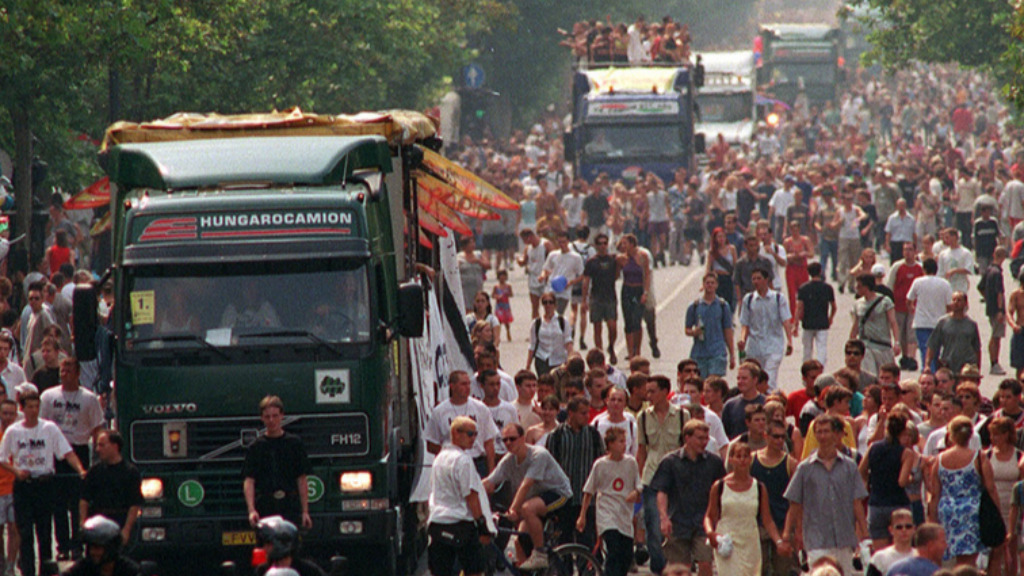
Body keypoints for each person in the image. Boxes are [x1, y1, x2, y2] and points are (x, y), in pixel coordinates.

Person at [0, 391, 87, 576]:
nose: (34, 410)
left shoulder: (49, 428)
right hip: (24, 486)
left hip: (44, 484)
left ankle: (46, 571)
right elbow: (2, 458)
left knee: (45, 533)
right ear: (23, 409)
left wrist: (80, 470)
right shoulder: (14, 431)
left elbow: (67, 452)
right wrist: (16, 471)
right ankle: (28, 571)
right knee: (25, 534)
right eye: (30, 407)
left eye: (36, 407)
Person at [783, 414, 869, 576]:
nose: (823, 436)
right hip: (817, 539)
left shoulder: (849, 466)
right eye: (819, 432)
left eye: (826, 431)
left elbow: (856, 502)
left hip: (844, 539)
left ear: (835, 434)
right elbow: (794, 503)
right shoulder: (805, 468)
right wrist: (788, 534)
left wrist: (864, 533)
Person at [40, 357, 105, 560]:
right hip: (56, 452)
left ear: (77, 373)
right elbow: (42, 425)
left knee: (78, 502)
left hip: (79, 449)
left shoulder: (89, 398)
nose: (64, 374)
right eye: (62, 370)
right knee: (58, 503)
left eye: (68, 370)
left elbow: (97, 428)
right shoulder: (49, 396)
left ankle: (78, 544)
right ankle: (63, 546)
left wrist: (99, 453)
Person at [652, 420, 726, 576]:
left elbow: (722, 492)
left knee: (705, 562)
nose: (704, 442)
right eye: (699, 438)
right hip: (678, 521)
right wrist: (663, 517)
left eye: (706, 438)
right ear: (687, 438)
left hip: (704, 522)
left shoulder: (714, 462)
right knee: (680, 568)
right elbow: (662, 491)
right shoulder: (670, 462)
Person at [704, 441, 787, 576]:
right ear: (731, 459)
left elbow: (767, 520)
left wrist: (778, 541)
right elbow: (709, 516)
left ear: (750, 459)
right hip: (727, 542)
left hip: (750, 543)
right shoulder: (719, 486)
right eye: (738, 456)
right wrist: (710, 533)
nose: (742, 460)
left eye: (745, 456)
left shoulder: (759, 487)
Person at [427, 417, 495, 576]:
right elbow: (471, 496)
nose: (474, 439)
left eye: (476, 434)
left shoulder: (439, 458)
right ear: (455, 433)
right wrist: (482, 526)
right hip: (461, 524)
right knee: (475, 571)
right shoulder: (463, 460)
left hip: (438, 522)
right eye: (470, 434)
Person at [928, 415, 998, 566]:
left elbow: (934, 494)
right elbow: (991, 489)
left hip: (947, 511)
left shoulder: (939, 460)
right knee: (968, 560)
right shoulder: (978, 457)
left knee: (949, 558)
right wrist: (997, 514)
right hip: (972, 511)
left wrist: (932, 520)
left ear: (951, 435)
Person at [637, 375, 689, 575]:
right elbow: (642, 450)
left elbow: (687, 447)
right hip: (651, 478)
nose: (648, 395)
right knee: (653, 525)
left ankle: (675, 565)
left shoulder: (682, 416)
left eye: (652, 391)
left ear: (665, 392)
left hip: (675, 479)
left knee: (675, 526)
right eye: (647, 391)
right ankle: (658, 568)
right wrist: (639, 480)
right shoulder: (643, 417)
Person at [577, 427, 641, 576]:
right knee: (613, 548)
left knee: (625, 556)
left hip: (624, 514)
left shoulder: (631, 463)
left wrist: (636, 493)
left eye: (624, 441)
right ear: (610, 444)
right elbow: (589, 490)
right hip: (607, 513)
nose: (624, 445)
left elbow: (639, 485)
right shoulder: (600, 464)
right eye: (620, 441)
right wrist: (582, 515)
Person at [242, 396, 312, 530]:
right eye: (267, 417)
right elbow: (249, 480)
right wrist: (251, 510)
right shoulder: (256, 447)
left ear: (282, 416)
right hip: (265, 506)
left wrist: (305, 512)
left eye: (275, 416)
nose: (271, 420)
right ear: (262, 418)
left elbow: (302, 479)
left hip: (290, 506)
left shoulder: (295, 443)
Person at [546, 397, 604, 547]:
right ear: (571, 413)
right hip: (564, 500)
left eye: (588, 413)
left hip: (587, 500)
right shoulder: (556, 435)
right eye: (583, 413)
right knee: (562, 542)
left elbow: (601, 464)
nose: (587, 417)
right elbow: (550, 468)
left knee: (587, 543)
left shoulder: (593, 435)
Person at [424, 371, 498, 477]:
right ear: (452, 386)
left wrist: (491, 473)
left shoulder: (480, 408)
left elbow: (489, 442)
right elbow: (431, 444)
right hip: (451, 463)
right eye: (463, 384)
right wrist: (449, 453)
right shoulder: (440, 411)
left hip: (477, 461)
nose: (467, 387)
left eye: (468, 384)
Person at [859, 413, 914, 550]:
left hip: (876, 503)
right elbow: (902, 481)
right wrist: (910, 478)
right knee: (901, 549)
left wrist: (869, 481)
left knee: (880, 552)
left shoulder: (873, 448)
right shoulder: (906, 453)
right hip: (898, 503)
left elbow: (861, 470)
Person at [78, 430, 141, 548]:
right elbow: (84, 499)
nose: (97, 449)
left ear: (115, 446)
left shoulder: (130, 472)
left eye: (102, 445)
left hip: (120, 521)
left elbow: (134, 504)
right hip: (98, 521)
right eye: (97, 445)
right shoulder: (94, 471)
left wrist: (126, 530)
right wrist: (83, 523)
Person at [751, 420, 799, 576]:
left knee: (783, 570)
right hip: (757, 524)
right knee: (759, 569)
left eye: (782, 437)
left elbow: (797, 501)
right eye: (775, 436)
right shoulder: (752, 460)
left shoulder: (790, 464)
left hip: (782, 523)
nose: (779, 440)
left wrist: (795, 530)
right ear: (766, 436)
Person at [738, 269, 793, 391]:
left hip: (774, 346)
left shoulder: (778, 298)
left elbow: (786, 321)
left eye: (759, 278)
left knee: (770, 378)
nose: (756, 281)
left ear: (766, 280)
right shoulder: (749, 299)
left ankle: (770, 400)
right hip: (754, 347)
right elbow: (745, 324)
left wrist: (790, 341)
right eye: (754, 279)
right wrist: (742, 340)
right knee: (755, 379)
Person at [907, 258, 954, 371]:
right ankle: (933, 372)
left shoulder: (918, 282)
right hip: (939, 323)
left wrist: (912, 309)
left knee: (925, 349)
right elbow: (949, 305)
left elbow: (909, 300)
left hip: (922, 322)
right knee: (936, 351)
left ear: (924, 269)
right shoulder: (945, 284)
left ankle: (928, 371)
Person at [684, 274, 735, 378]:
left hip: (717, 352)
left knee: (713, 383)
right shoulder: (695, 306)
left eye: (712, 283)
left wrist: (732, 354)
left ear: (716, 285)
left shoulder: (722, 306)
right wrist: (694, 332)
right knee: (700, 384)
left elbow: (728, 331)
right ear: (703, 285)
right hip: (699, 353)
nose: (710, 285)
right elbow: (687, 329)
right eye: (707, 283)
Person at [850, 274, 901, 375]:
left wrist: (897, 342)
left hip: (883, 346)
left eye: (859, 286)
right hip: (866, 346)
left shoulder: (885, 302)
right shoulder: (858, 304)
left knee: (885, 375)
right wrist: (851, 343)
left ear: (866, 287)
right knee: (869, 375)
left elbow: (893, 322)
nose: (856, 288)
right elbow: (856, 326)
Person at [581, 233, 619, 364]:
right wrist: (584, 300)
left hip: (610, 297)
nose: (603, 246)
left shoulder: (612, 260)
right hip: (596, 297)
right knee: (597, 327)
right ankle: (600, 354)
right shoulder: (592, 262)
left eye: (605, 243)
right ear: (596, 246)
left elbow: (617, 274)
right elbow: (586, 281)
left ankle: (611, 346)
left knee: (612, 326)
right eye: (600, 243)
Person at [887, 242, 925, 370]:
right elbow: (890, 285)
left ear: (915, 251)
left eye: (910, 250)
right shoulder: (897, 267)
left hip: (914, 307)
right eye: (905, 250)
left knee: (911, 333)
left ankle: (911, 357)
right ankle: (905, 357)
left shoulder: (920, 268)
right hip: (899, 306)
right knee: (901, 333)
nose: (907, 253)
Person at [61, 515, 140, 576]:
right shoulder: (84, 568)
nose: (92, 552)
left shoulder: (128, 570)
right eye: (91, 547)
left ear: (111, 548)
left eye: (97, 548)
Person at [926, 291, 982, 376]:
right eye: (953, 300)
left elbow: (977, 349)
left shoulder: (971, 325)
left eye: (959, 300)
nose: (955, 302)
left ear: (965, 303)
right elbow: (932, 345)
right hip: (948, 364)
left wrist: (977, 368)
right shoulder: (943, 322)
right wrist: (927, 365)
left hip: (966, 366)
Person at [616, 234, 650, 360]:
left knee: (637, 321)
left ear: (632, 244)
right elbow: (616, 274)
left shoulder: (642, 256)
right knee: (628, 321)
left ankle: (637, 350)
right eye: (622, 243)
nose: (623, 246)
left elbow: (647, 275)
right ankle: (630, 352)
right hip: (627, 290)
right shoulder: (621, 259)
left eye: (625, 243)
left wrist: (645, 292)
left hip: (638, 290)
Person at [797, 262, 837, 366]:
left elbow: (799, 307)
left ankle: (806, 368)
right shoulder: (827, 288)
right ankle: (820, 367)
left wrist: (795, 324)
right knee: (822, 347)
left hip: (808, 322)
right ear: (820, 271)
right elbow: (834, 306)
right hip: (822, 322)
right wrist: (830, 318)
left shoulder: (804, 288)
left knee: (807, 349)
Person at [538, 229, 585, 316]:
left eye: (564, 242)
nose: (562, 244)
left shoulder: (576, 257)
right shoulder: (553, 254)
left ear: (568, 241)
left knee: (558, 313)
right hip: (550, 288)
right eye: (560, 242)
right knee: (547, 313)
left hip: (564, 291)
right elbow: (546, 269)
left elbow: (582, 275)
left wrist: (571, 282)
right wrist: (542, 276)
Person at [525, 292, 573, 376]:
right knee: (545, 383)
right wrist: (528, 365)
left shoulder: (562, 321)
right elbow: (532, 345)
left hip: (559, 360)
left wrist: (570, 360)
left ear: (555, 304)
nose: (548, 305)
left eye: (550, 302)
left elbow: (568, 342)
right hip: (542, 359)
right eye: (545, 302)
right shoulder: (536, 323)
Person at [981, 246, 1008, 375]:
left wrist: (987, 299)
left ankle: (994, 362)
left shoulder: (988, 270)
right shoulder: (997, 273)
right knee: (996, 336)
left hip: (990, 308)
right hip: (997, 309)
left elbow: (980, 287)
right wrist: (1000, 310)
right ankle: (994, 362)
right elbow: (999, 293)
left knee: (995, 334)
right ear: (1003, 257)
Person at [517, 228, 553, 320]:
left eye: (525, 240)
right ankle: (536, 325)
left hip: (545, 279)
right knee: (535, 306)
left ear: (530, 237)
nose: (525, 243)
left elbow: (554, 259)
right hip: (533, 279)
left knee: (548, 305)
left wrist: (549, 273)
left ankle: (549, 323)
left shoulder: (545, 244)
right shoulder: (528, 248)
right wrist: (519, 260)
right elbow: (524, 261)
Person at [783, 219, 813, 316]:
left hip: (802, 269)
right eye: (793, 230)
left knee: (804, 293)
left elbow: (811, 253)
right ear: (790, 230)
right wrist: (791, 256)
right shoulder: (787, 242)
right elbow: (783, 256)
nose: (795, 232)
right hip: (791, 269)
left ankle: (804, 314)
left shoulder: (805, 240)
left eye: (796, 230)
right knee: (792, 295)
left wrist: (804, 253)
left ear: (799, 229)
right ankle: (793, 316)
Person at [0, 400, 16, 575]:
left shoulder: (20, 435)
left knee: (14, 529)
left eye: (11, 413)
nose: (8, 417)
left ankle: (11, 566)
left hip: (15, 490)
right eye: (5, 413)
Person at [937, 228, 974, 295]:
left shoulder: (965, 253)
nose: (945, 240)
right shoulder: (943, 254)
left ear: (954, 237)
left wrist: (954, 271)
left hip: (961, 287)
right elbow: (940, 272)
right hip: (948, 287)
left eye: (947, 237)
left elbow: (969, 269)